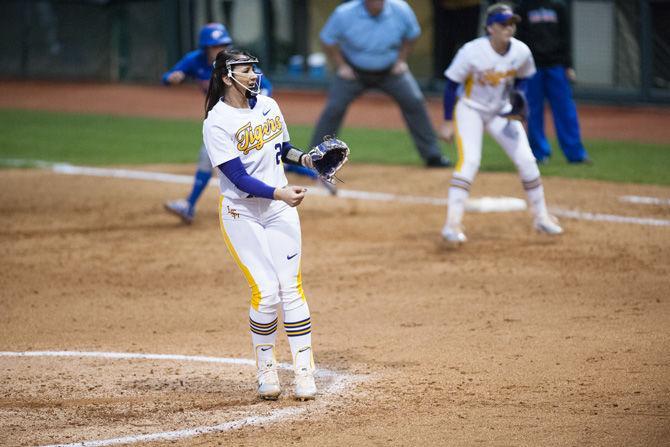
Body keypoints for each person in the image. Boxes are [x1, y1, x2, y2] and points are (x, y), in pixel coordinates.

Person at [203, 48, 318, 400]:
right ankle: (266, 368)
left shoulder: (269, 105)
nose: (254, 74)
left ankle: (304, 372)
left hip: (278, 209)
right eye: (246, 69)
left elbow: (283, 148)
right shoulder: (216, 122)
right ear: (227, 76)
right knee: (266, 291)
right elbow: (236, 178)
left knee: (291, 288)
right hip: (242, 212)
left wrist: (308, 159)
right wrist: (278, 193)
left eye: (254, 68)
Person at [162, 24, 323, 225]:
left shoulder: (239, 64)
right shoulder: (196, 64)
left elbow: (282, 147)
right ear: (205, 48)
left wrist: (254, 110)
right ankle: (189, 205)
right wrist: (171, 79)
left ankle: (314, 171)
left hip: (251, 120)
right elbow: (167, 77)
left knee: (267, 155)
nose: (219, 48)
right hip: (229, 126)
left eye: (223, 43)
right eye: (214, 45)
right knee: (230, 159)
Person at [439, 3, 563, 245]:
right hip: (470, 110)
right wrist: (446, 121)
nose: (509, 28)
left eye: (512, 23)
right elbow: (451, 85)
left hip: (501, 111)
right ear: (490, 27)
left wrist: (519, 100)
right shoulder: (471, 51)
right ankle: (451, 225)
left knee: (527, 160)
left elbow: (525, 78)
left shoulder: (521, 51)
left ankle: (541, 218)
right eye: (503, 23)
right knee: (470, 162)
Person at [310, 0, 451, 168]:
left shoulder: (401, 9)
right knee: (334, 107)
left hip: (390, 71)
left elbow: (412, 35)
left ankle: (433, 155)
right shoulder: (344, 13)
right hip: (354, 72)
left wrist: (401, 60)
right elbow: (327, 39)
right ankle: (315, 159)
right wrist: (341, 66)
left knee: (414, 100)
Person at [515, 0, 591, 164]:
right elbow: (519, 39)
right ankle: (539, 154)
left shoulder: (558, 6)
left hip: (556, 66)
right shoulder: (522, 7)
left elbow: (566, 37)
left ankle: (575, 154)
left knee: (565, 110)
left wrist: (568, 65)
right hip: (532, 67)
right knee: (533, 111)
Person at [432, 0, 482, 81]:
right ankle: (441, 78)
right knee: (444, 46)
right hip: (445, 8)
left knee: (468, 47)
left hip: (470, 7)